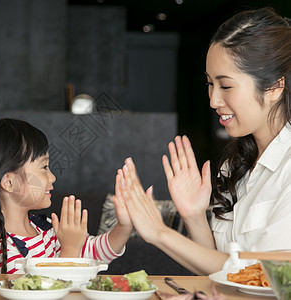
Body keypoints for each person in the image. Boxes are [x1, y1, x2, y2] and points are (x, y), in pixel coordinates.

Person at [116, 7, 291, 275]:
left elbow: (264, 274)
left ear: (274, 87)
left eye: (226, 86)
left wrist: (160, 233)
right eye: (210, 84)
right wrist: (194, 216)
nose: (213, 100)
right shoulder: (235, 165)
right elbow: (219, 270)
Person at [0, 118, 132, 274]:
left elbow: (94, 252)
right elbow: (40, 292)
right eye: (44, 167)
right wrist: (70, 249)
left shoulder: (44, 228)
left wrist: (123, 227)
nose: (52, 177)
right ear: (9, 182)